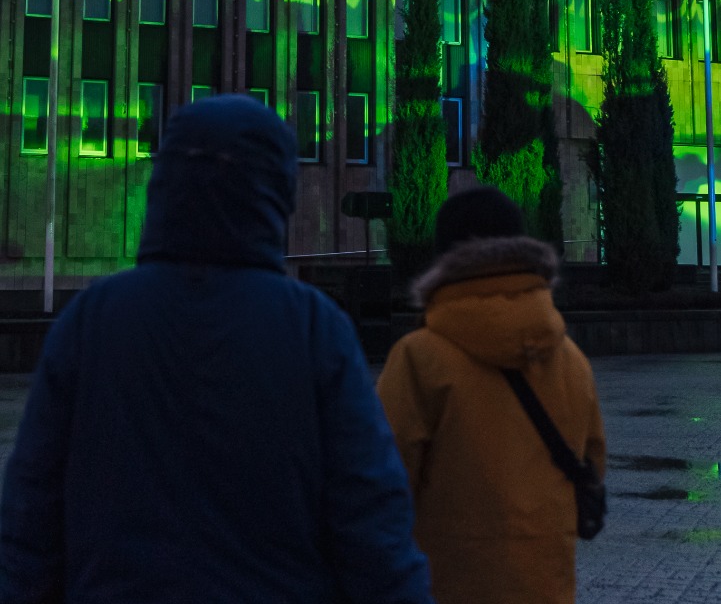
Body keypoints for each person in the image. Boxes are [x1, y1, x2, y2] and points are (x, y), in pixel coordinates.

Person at [0, 95, 434, 604]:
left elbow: (30, 521)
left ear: (166, 183)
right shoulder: (313, 328)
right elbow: (371, 522)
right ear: (277, 191)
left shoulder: (91, 321)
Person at [377, 186, 606, 604]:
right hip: (546, 586)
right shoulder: (570, 358)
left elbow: (386, 483)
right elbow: (592, 463)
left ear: (444, 259)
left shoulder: (419, 357)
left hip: (448, 584)